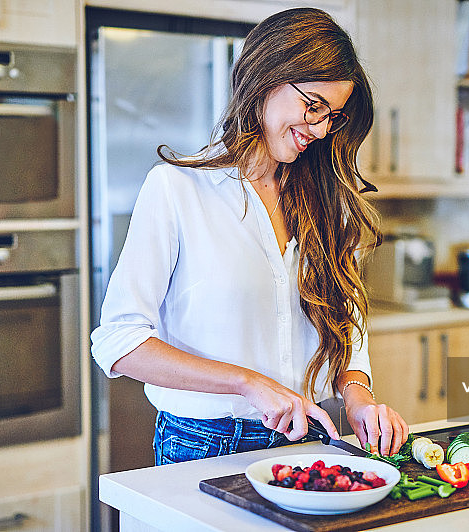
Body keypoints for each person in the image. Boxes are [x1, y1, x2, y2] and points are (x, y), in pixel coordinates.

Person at [91, 7, 409, 466]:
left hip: (309, 443)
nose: (319, 129)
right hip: (202, 445)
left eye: (332, 116)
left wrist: (358, 397)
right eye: (313, 105)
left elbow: (346, 328)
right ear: (267, 78)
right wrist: (246, 382)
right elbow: (119, 342)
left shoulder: (328, 201)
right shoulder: (177, 189)